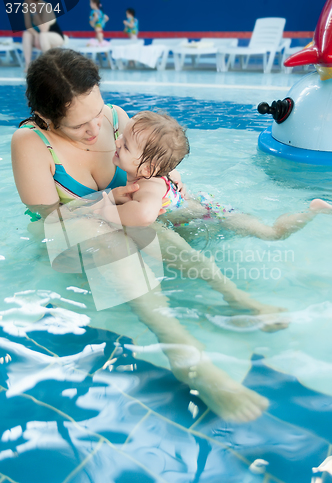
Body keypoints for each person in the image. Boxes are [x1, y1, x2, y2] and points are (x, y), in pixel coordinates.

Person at [11, 48, 293, 423]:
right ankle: (184, 352)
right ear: (46, 116)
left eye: (98, 113)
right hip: (73, 228)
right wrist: (109, 200)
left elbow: (150, 169)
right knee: (109, 233)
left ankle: (235, 297)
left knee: (190, 213)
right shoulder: (31, 142)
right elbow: (51, 217)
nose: (98, 129)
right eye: (81, 126)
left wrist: (167, 180)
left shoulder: (117, 119)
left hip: (132, 220)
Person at [93, 110, 332, 238]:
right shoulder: (160, 172)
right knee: (265, 231)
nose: (116, 142)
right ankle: (310, 211)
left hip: (207, 215)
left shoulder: (148, 187)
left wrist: (107, 211)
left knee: (271, 234)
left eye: (124, 145)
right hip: (207, 207)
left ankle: (309, 213)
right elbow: (170, 170)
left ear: (147, 169)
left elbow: (144, 216)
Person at [22, 0, 65, 71]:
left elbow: (44, 28)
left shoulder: (45, 7)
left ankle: (48, 64)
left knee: (43, 35)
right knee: (26, 34)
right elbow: (28, 25)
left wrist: (34, 13)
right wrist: (36, 35)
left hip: (56, 36)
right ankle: (28, 64)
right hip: (39, 37)